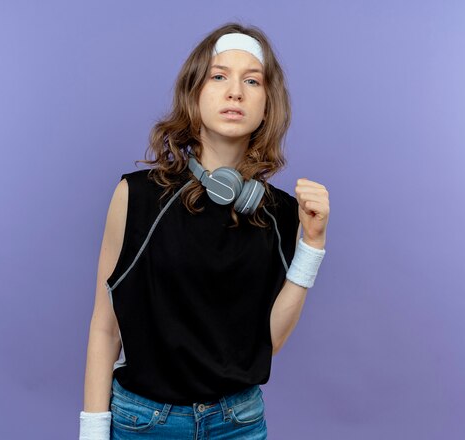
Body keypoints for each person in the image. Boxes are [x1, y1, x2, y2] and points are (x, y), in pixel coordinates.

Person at [79, 22, 330, 439]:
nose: (236, 92)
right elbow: (105, 327)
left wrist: (313, 246)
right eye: (219, 76)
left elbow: (263, 345)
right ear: (194, 94)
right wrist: (92, 432)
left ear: (267, 105)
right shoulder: (136, 197)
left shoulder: (280, 212)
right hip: (143, 424)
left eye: (252, 80)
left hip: (239, 423)